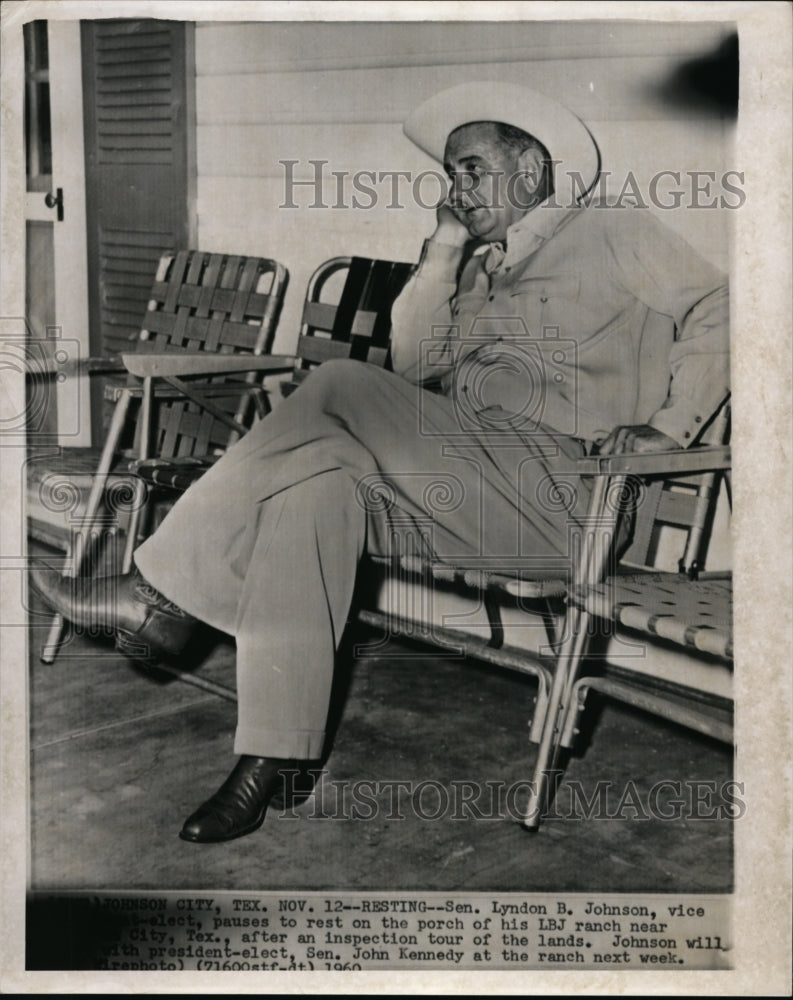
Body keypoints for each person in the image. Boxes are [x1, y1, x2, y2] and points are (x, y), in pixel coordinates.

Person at [32, 82, 729, 844]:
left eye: (471, 170)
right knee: (315, 492)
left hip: (565, 502)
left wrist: (668, 428)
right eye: (451, 176)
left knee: (335, 383)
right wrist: (441, 255)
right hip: (461, 490)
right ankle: (273, 758)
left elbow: (719, 311)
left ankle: (158, 593)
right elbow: (410, 368)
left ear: (530, 169)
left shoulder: (612, 229)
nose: (455, 190)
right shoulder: (476, 266)